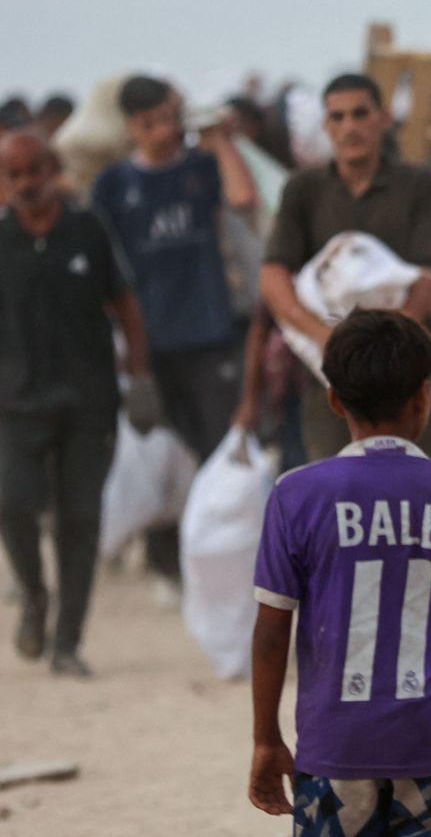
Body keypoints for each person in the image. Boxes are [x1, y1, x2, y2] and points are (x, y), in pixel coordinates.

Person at [247, 309, 431, 837]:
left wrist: (265, 737)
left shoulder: (297, 496)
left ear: (335, 400)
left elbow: (272, 634)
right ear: (424, 396)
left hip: (333, 746)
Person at [0, 131, 157, 676]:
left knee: (80, 522)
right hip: (16, 403)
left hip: (88, 406)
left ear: (52, 170)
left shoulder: (87, 230)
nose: (24, 184)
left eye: (32, 171)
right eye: (12, 174)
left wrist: (140, 380)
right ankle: (34, 596)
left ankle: (67, 643)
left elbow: (127, 308)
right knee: (13, 505)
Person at [91, 74, 256, 588]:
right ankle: (168, 561)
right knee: (162, 453)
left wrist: (219, 139)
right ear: (131, 127)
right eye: (149, 123)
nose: (162, 130)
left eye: (168, 117)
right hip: (149, 342)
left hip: (208, 334)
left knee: (217, 446)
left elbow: (244, 197)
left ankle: (223, 551)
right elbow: (105, 269)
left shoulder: (202, 167)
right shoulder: (115, 185)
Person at [260, 73, 431, 462]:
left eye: (360, 114)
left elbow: (430, 273)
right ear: (326, 126)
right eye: (338, 117)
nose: (350, 126)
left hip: (407, 374)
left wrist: (384, 345)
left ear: (382, 118)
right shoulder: (304, 189)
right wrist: (326, 338)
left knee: (414, 488)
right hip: (331, 377)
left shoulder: (416, 184)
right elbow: (273, 276)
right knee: (338, 491)